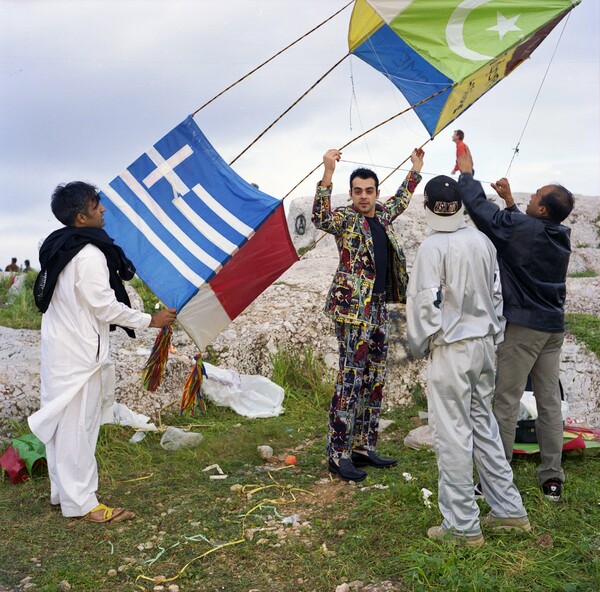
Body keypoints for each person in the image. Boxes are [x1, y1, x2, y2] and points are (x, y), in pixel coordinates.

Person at [28, 181, 177, 523]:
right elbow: (105, 307)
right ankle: (84, 505)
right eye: (97, 206)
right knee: (78, 428)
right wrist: (149, 320)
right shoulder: (90, 254)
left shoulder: (60, 248)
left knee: (63, 428)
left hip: (61, 351)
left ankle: (63, 495)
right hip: (80, 355)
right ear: (81, 217)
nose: (103, 210)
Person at [406, 175, 531, 546]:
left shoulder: (432, 247)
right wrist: (493, 336)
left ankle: (461, 525)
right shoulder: (482, 241)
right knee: (484, 425)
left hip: (451, 348)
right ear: (460, 206)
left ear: (427, 206)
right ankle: (509, 510)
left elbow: (424, 302)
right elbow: (496, 295)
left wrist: (420, 344)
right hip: (483, 346)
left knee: (452, 435)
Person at [457, 150, 574, 502]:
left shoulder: (526, 228)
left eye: (535, 197)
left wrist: (467, 174)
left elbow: (482, 212)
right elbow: (522, 234)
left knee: (505, 401)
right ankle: (552, 478)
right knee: (549, 402)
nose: (530, 197)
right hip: (553, 329)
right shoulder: (559, 235)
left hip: (523, 329)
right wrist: (510, 201)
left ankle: (494, 477)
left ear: (541, 210)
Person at [312, 147, 424, 482]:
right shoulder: (345, 219)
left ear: (376, 192)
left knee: (374, 378)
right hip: (351, 311)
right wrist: (328, 173)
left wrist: (415, 169)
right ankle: (338, 454)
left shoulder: (383, 215)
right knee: (350, 379)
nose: (364, 196)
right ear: (351, 193)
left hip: (377, 307)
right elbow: (319, 217)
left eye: (369, 190)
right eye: (358, 191)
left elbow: (402, 198)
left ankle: (363, 446)